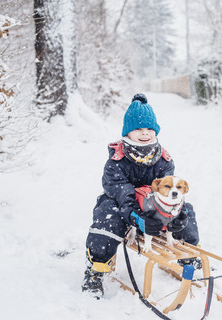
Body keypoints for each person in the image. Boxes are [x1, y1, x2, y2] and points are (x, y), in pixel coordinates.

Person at [82, 93, 199, 298]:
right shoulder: (117, 161)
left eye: (149, 129)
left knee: (186, 210)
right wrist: (136, 216)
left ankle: (188, 258)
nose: (144, 133)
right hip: (123, 204)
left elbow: (169, 191)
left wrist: (178, 215)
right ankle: (96, 269)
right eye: (138, 129)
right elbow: (119, 190)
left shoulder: (163, 159)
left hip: (153, 206)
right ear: (128, 131)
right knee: (107, 214)